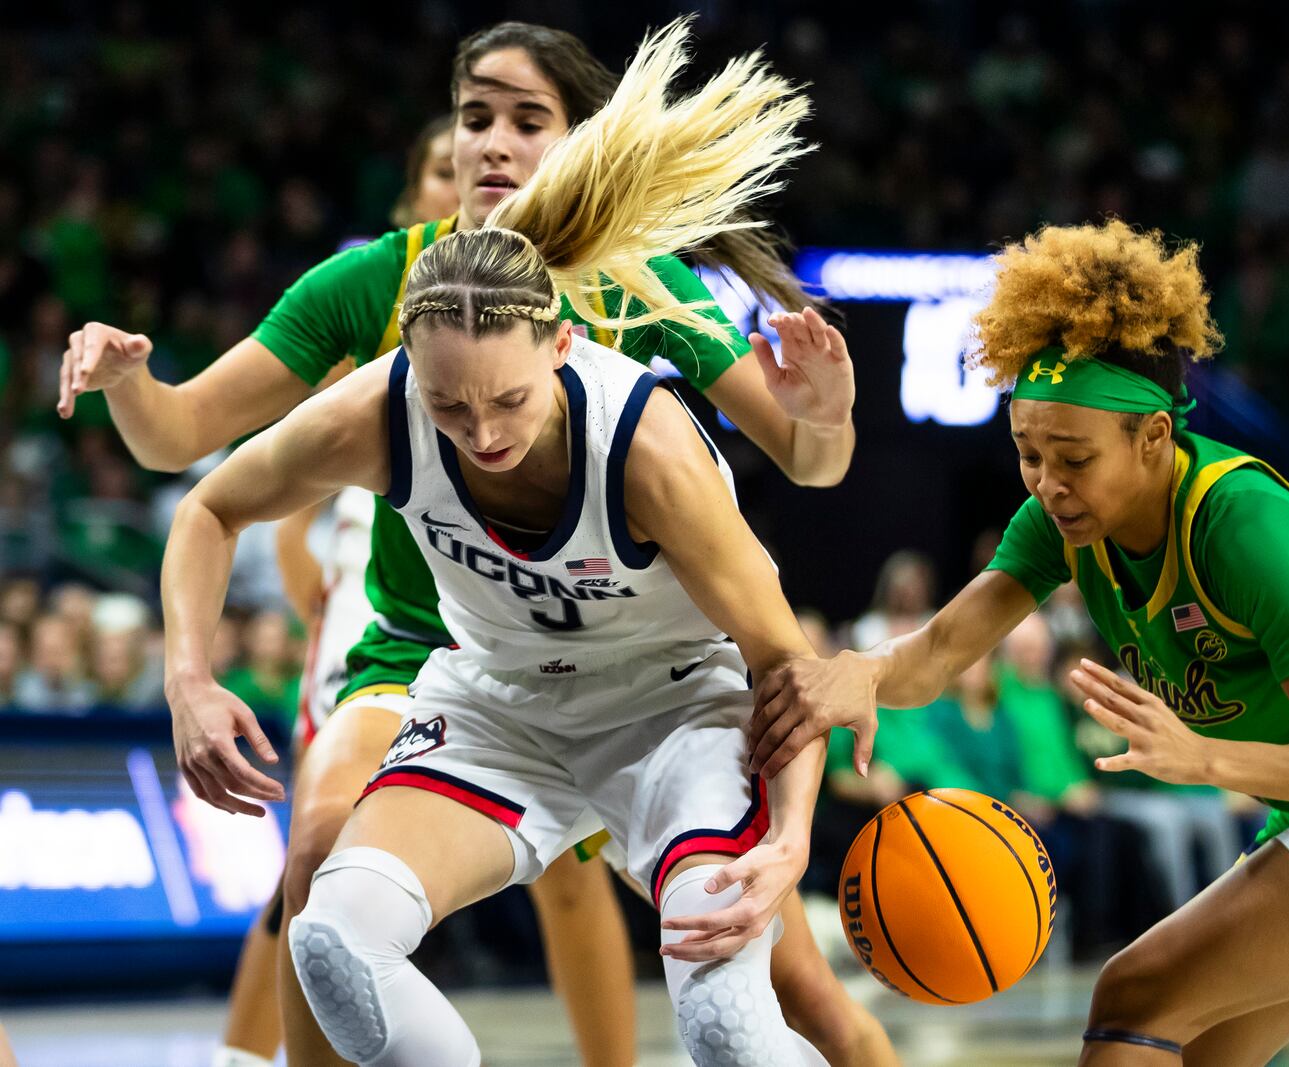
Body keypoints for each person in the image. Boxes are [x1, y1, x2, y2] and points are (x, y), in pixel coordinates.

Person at [62, 19, 888, 1067]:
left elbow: (810, 469)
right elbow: (187, 458)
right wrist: (135, 389)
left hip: (658, 675)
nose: (493, 143)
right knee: (321, 871)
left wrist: (827, 416)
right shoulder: (381, 296)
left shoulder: (641, 299)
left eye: (526, 120)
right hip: (444, 652)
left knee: (773, 986)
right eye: (474, 118)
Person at [749, 219, 1289, 1066]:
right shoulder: (1064, 522)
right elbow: (945, 648)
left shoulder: (1243, 530)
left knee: (1136, 992)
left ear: (1154, 438)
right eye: (1027, 454)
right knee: (1196, 1046)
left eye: (1072, 457)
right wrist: (861, 675)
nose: (1048, 483)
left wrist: (1202, 756)